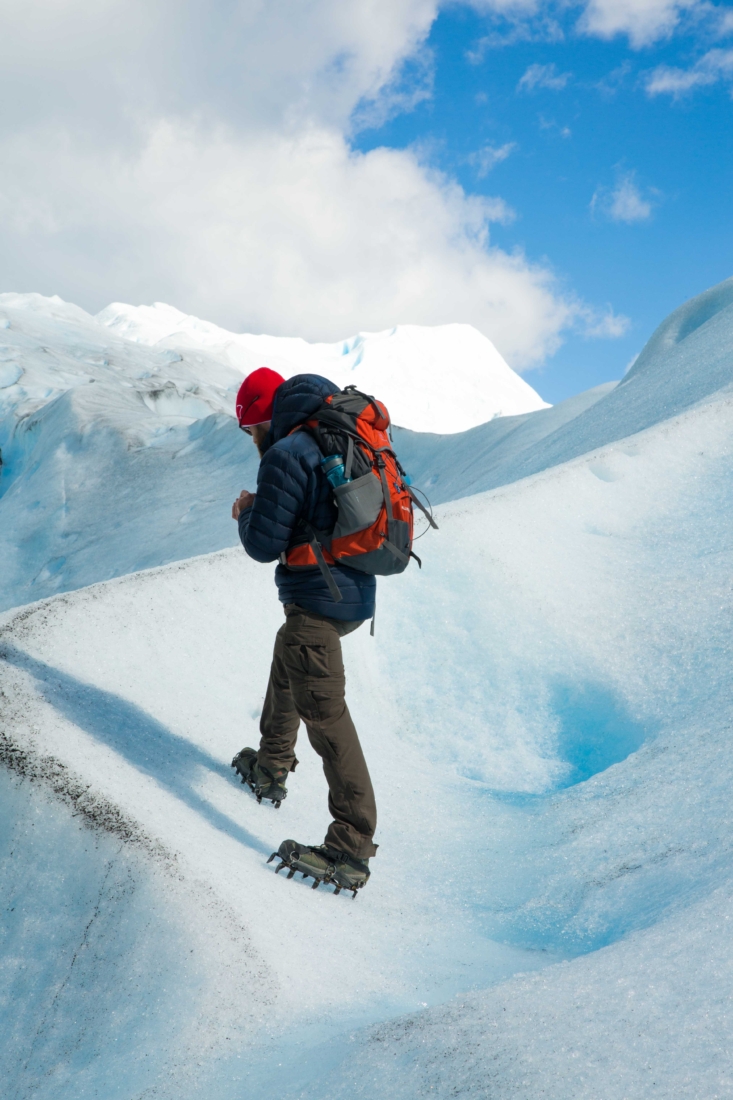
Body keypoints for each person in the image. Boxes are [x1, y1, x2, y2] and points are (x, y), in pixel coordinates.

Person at [231, 367, 377, 896]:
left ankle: (351, 847)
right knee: (291, 648)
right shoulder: (332, 438)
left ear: (266, 419)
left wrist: (247, 512)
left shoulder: (288, 452)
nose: (253, 440)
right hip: (348, 596)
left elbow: (263, 544)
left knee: (324, 710)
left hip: (320, 595)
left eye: (252, 430)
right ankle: (271, 764)